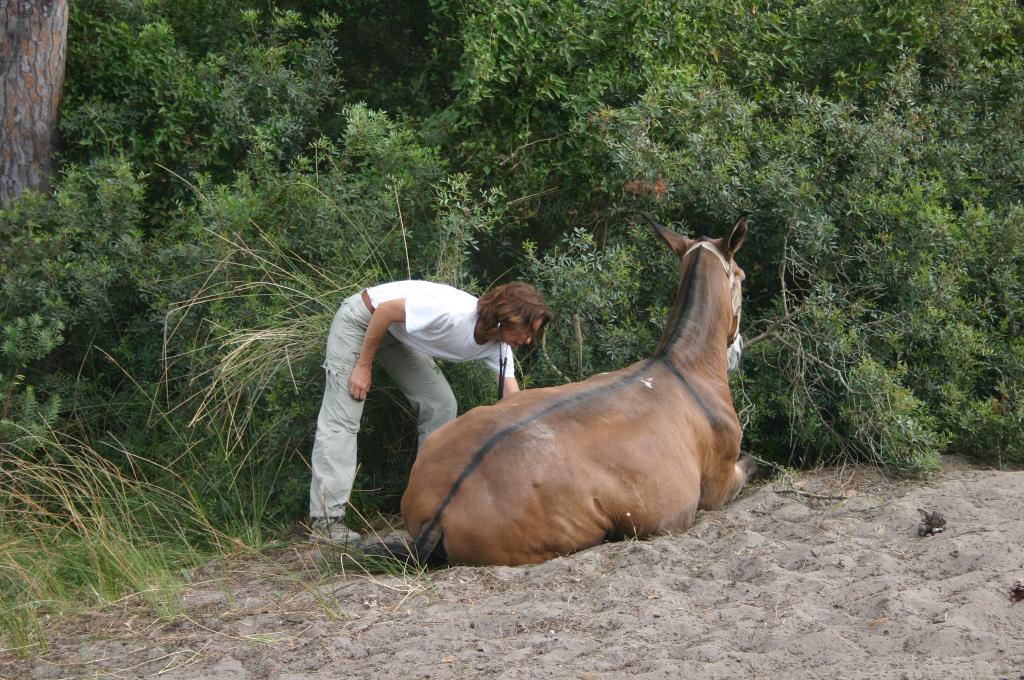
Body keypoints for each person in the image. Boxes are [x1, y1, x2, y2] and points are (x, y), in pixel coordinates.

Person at [307, 280, 553, 544]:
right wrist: (363, 365)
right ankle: (326, 522)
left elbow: (512, 401)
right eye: (526, 330)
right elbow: (387, 311)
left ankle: (425, 507)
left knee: (440, 404)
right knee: (343, 415)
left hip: (397, 334)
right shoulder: (452, 313)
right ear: (505, 319)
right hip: (363, 319)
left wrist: (534, 442)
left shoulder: (498, 347)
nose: (528, 340)